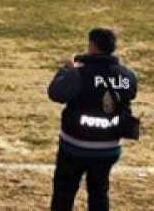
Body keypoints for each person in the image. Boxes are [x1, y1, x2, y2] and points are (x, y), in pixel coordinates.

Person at [48, 28, 138, 211]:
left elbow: (56, 93)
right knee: (99, 193)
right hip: (109, 148)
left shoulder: (79, 73)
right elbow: (130, 93)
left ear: (93, 46)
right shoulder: (127, 76)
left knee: (63, 195)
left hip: (74, 147)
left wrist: (67, 70)